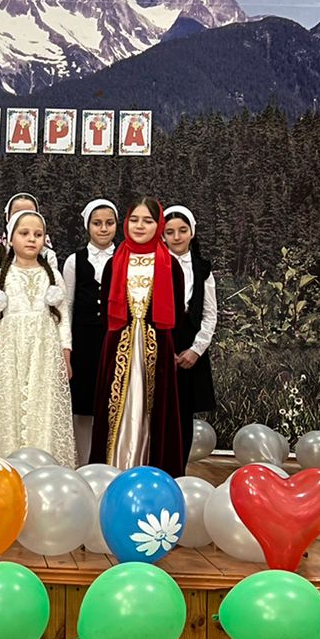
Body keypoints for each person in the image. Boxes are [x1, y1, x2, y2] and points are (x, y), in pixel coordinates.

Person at [89, 197, 184, 472]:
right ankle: (112, 467)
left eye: (148, 221)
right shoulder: (115, 262)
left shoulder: (170, 265)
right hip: (118, 345)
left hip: (157, 348)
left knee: (155, 410)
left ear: (159, 225)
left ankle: (150, 469)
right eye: (134, 220)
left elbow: (177, 311)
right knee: (114, 406)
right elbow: (106, 309)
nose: (140, 226)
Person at [0, 209, 75, 466]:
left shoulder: (52, 276)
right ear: (10, 238)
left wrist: (65, 356)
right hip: (10, 355)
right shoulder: (1, 276)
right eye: (24, 233)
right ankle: (7, 465)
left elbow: (63, 320)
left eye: (37, 234)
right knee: (9, 407)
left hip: (44, 355)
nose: (31, 239)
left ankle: (42, 464)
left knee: (41, 408)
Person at [62, 198, 118, 464]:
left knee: (111, 403)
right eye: (97, 223)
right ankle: (83, 461)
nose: (103, 228)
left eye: (109, 223)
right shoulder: (75, 261)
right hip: (83, 343)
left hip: (114, 341)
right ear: (88, 226)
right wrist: (66, 346)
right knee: (83, 406)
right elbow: (67, 305)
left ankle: (108, 460)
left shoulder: (124, 258)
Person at [162, 206, 218, 436]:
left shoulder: (202, 268)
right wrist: (162, 350)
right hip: (162, 340)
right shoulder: (154, 266)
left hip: (190, 343)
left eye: (182, 230)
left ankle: (181, 459)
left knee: (184, 414)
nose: (176, 237)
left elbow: (209, 314)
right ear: (162, 236)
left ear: (192, 232)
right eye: (170, 232)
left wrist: (196, 350)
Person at [0, 191, 58, 277]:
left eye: (29, 213)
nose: (23, 218)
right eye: (17, 213)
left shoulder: (48, 255)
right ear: (7, 217)